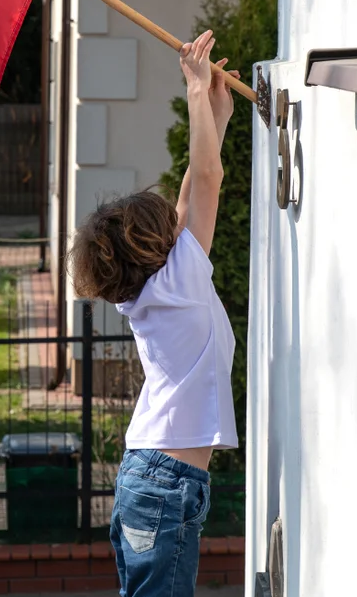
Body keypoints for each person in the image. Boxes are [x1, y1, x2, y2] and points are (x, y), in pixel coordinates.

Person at [68, 29, 240, 597]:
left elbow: (195, 191)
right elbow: (207, 181)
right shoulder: (179, 284)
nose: (179, 217)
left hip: (160, 481)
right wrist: (195, 91)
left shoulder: (150, 292)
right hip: (165, 485)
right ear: (158, 244)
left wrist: (215, 111)